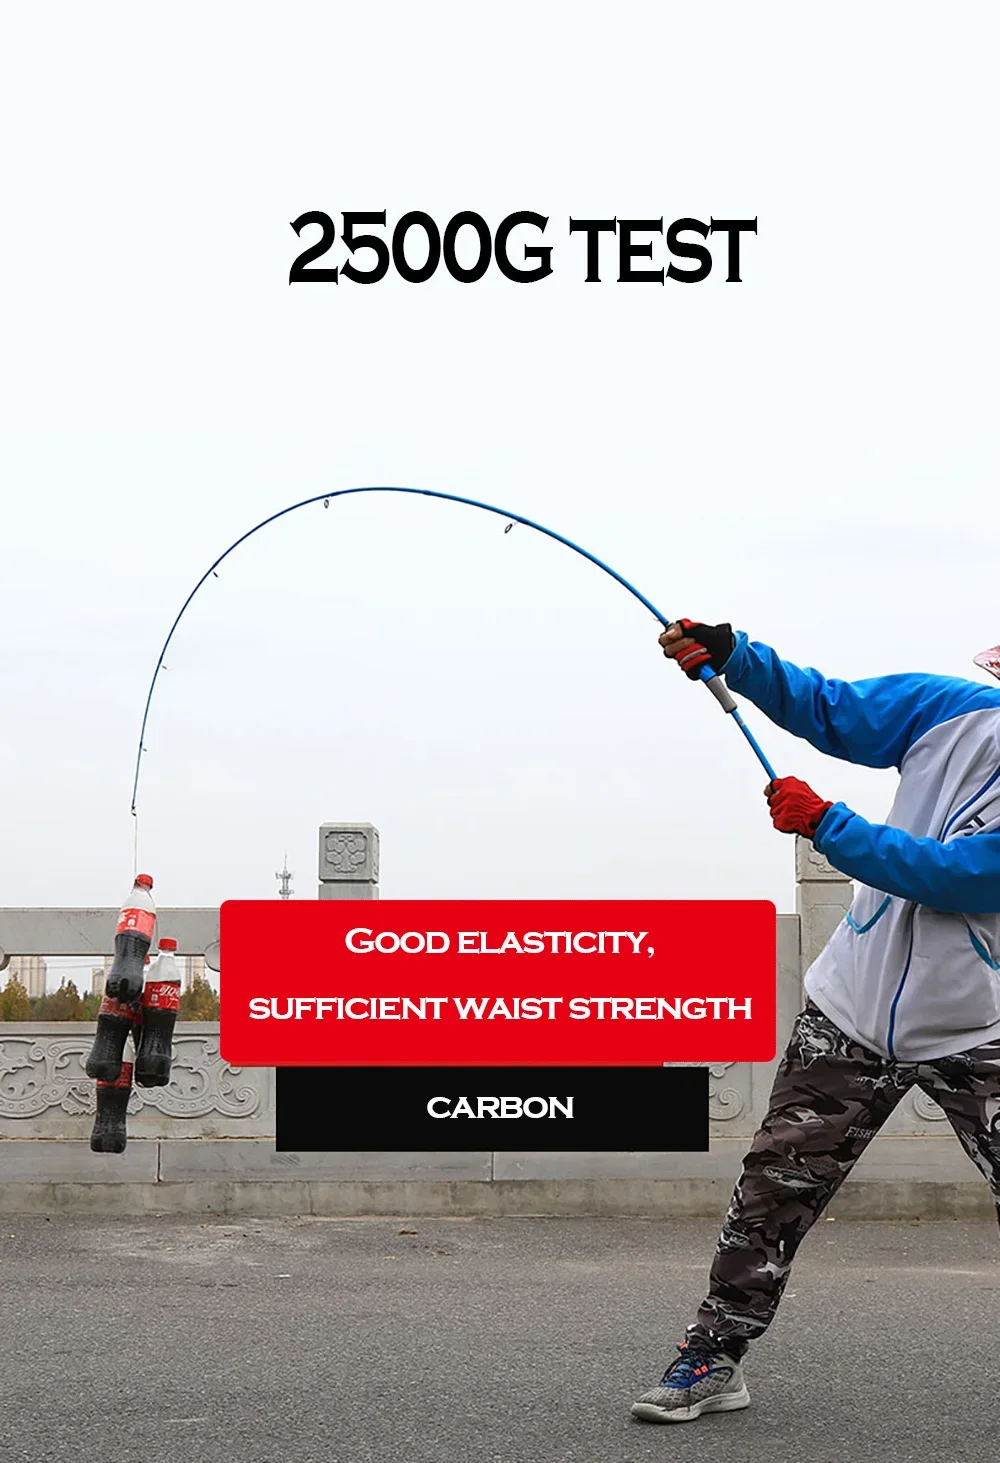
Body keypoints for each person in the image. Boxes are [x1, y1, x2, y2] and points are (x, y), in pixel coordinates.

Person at [631, 620, 1000, 1425]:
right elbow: (833, 708)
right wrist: (737, 658)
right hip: (849, 1008)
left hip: (978, 1027)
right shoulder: (949, 708)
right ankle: (713, 1357)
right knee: (772, 1188)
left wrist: (832, 826)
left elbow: (965, 876)